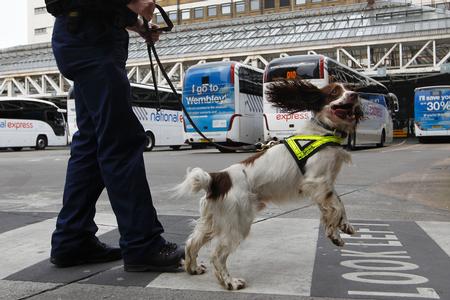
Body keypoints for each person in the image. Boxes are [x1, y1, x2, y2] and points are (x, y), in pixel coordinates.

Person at [49, 0, 184, 272]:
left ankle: (72, 239)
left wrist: (136, 24)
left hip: (82, 36)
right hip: (92, 43)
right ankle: (142, 244)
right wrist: (136, 2)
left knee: (90, 144)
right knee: (121, 142)